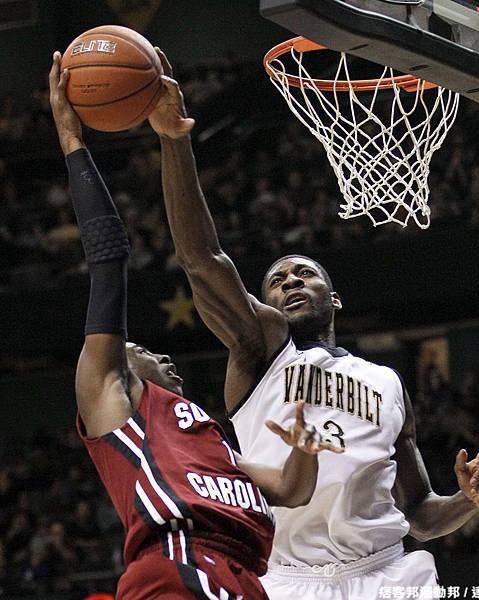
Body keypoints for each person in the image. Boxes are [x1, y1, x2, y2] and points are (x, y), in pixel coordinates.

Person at [147, 48, 479, 599]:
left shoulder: (388, 384)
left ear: (334, 299)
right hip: (290, 580)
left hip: (388, 573)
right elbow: (202, 260)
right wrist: (174, 140)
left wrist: (468, 501)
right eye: (277, 279)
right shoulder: (261, 350)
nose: (291, 281)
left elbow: (419, 516)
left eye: (305, 274)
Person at [49, 52, 342, 600]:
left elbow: (290, 489)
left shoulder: (212, 442)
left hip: (247, 579)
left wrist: (304, 444)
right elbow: (109, 256)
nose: (158, 356)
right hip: (177, 567)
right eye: (137, 351)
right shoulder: (115, 401)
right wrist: (71, 138)